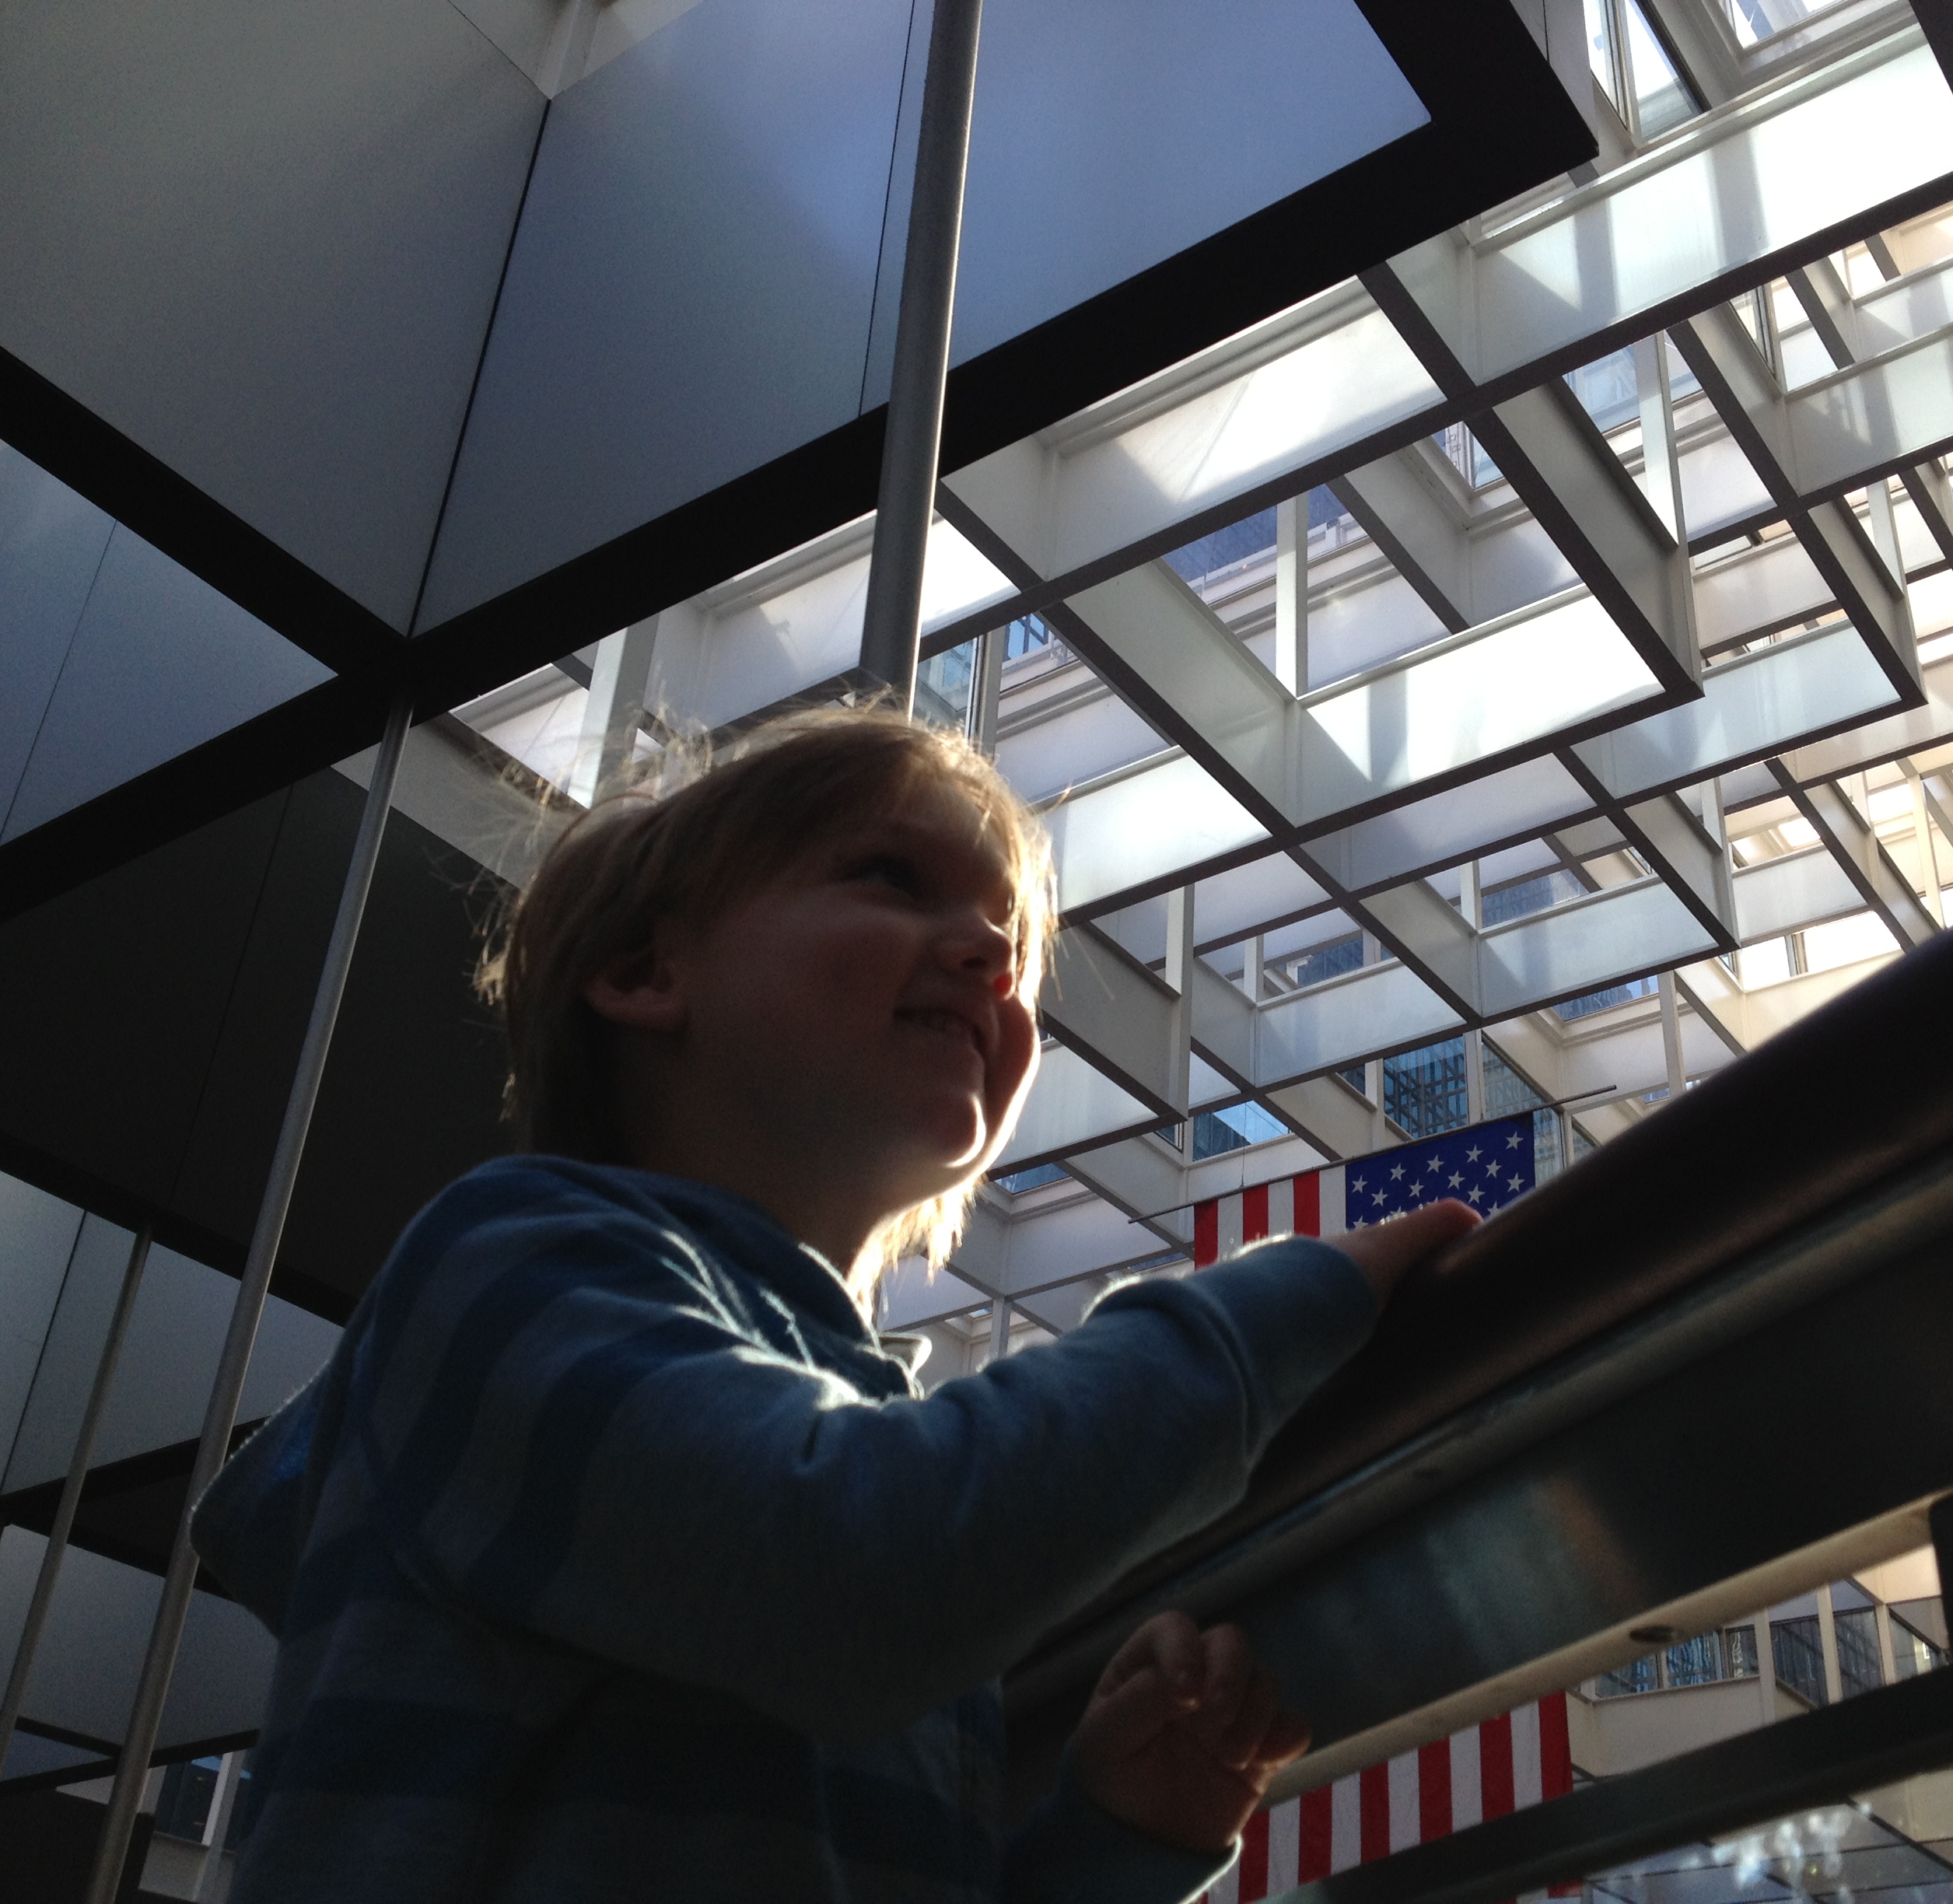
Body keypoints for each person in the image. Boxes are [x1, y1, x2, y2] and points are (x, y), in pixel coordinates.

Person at [193, 706, 1477, 1904]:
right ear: (644, 970)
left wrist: (1113, 1842)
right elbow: (857, 1570)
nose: (992, 957)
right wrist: (1272, 1314)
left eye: (1013, 946)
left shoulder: (879, 1464)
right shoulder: (507, 1265)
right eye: (892, 878)